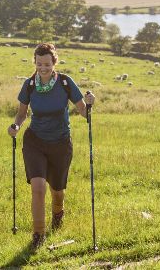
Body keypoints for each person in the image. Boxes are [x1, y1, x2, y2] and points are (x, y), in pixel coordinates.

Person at [7, 43, 95, 249]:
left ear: (54, 62)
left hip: (61, 143)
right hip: (35, 141)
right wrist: (16, 126)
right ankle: (38, 235)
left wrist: (90, 104)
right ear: (35, 63)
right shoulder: (29, 85)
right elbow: (21, 113)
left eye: (47, 64)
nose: (43, 68)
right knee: (38, 187)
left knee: (57, 190)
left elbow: (83, 111)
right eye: (39, 64)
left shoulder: (65, 82)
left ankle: (58, 213)